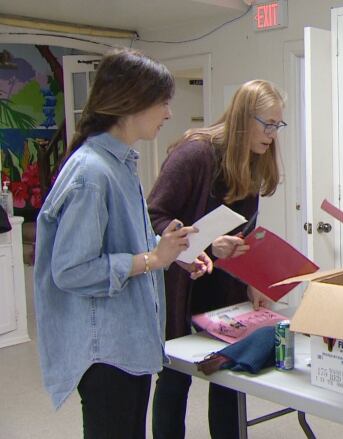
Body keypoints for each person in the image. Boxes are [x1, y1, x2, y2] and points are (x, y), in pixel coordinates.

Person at [34, 48, 212, 439]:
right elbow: (71, 270)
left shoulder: (119, 164)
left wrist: (173, 255)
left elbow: (130, 241)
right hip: (106, 351)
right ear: (133, 102)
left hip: (128, 342)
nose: (168, 114)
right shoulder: (92, 173)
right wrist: (151, 258)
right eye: (163, 103)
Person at [147, 79, 287, 439]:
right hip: (185, 281)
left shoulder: (255, 158)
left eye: (277, 125)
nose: (272, 134)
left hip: (225, 286)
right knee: (176, 378)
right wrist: (207, 243)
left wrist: (254, 278)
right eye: (267, 124)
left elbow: (244, 233)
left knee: (227, 377)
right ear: (243, 118)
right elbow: (154, 217)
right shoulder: (195, 153)